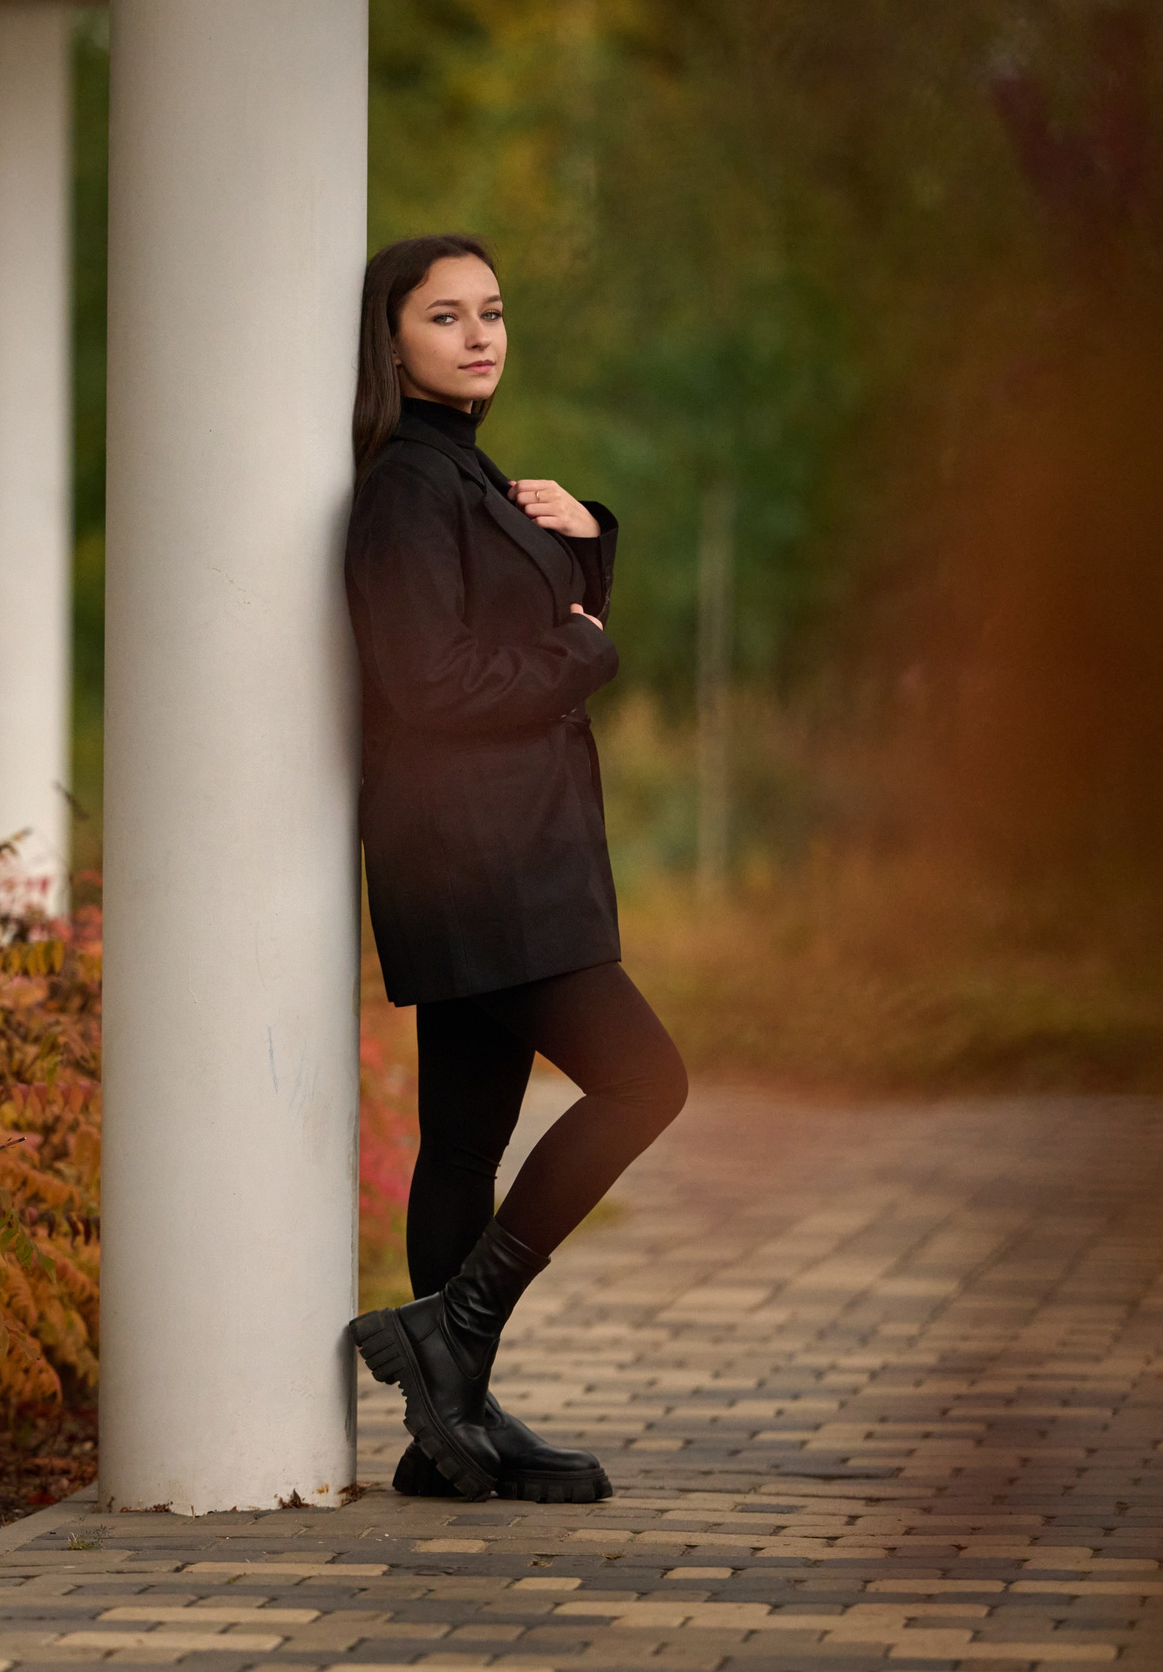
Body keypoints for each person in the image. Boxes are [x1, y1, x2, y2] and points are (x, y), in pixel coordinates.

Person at [342, 235, 690, 1504]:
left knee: (463, 1141)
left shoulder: (466, 475)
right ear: (391, 342)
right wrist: (585, 656)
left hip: (499, 845)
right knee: (646, 1079)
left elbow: (521, 614)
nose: (480, 334)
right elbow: (430, 684)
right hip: (475, 852)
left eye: (492, 312)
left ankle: (451, 1431)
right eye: (446, 316)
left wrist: (586, 530)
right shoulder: (403, 491)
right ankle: (453, 1334)